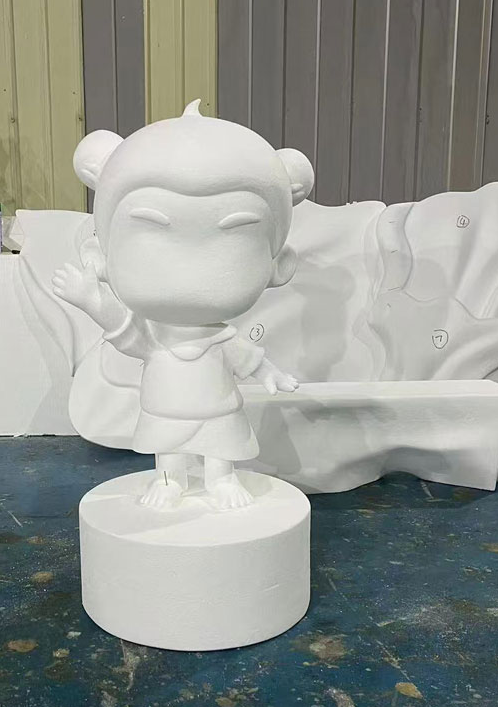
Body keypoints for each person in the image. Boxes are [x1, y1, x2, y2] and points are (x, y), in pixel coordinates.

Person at [53, 100, 314, 510]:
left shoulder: (222, 340)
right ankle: (170, 480)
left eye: (233, 239)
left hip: (218, 407)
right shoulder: (155, 337)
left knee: (220, 441)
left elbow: (248, 359)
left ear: (277, 266)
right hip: (164, 406)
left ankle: (221, 480)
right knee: (168, 446)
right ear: (101, 257)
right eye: (153, 235)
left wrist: (270, 373)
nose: (190, 268)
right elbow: (125, 331)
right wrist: (92, 300)